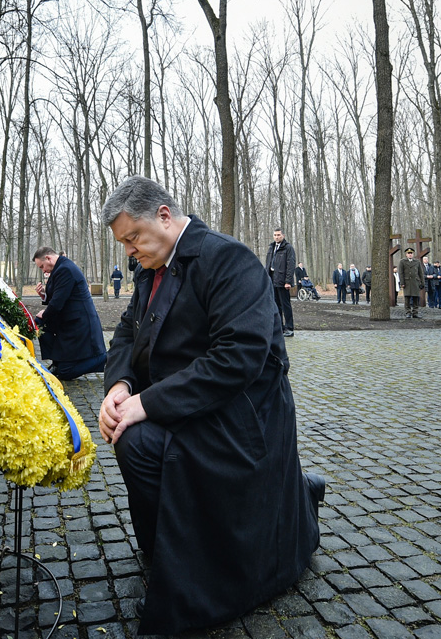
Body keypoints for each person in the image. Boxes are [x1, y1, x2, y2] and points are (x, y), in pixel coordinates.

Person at [98, 176, 322, 635]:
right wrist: (120, 384)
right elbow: (126, 332)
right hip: (190, 401)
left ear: (164, 215)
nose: (129, 251)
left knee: (137, 441)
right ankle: (170, 550)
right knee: (133, 438)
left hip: (241, 411)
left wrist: (149, 403)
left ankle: (198, 564)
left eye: (132, 238)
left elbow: (238, 358)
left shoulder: (227, 258)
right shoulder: (150, 270)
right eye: (123, 243)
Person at [32, 247, 107, 379]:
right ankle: (57, 362)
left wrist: (45, 313)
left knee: (65, 372)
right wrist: (44, 295)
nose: (43, 270)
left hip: (79, 324)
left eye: (42, 266)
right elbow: (59, 296)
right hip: (68, 320)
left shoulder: (65, 269)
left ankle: (104, 358)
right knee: (39, 323)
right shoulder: (60, 268)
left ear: (48, 258)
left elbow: (58, 302)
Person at [265, 228, 296, 337]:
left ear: (283, 235)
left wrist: (288, 281)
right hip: (272, 278)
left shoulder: (288, 248)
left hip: (283, 280)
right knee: (275, 305)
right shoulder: (271, 247)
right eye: (275, 235)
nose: (276, 237)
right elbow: (268, 264)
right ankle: (279, 327)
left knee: (285, 304)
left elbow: (291, 265)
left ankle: (289, 328)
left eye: (278, 235)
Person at [399, 247, 425, 318]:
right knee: (407, 298)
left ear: (413, 254)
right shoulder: (402, 262)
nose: (410, 254)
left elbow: (420, 273)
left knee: (416, 298)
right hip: (407, 282)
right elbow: (401, 273)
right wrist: (402, 283)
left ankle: (415, 312)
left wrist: (422, 283)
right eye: (408, 253)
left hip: (415, 282)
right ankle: (408, 312)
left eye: (411, 253)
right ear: (406, 254)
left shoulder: (417, 261)